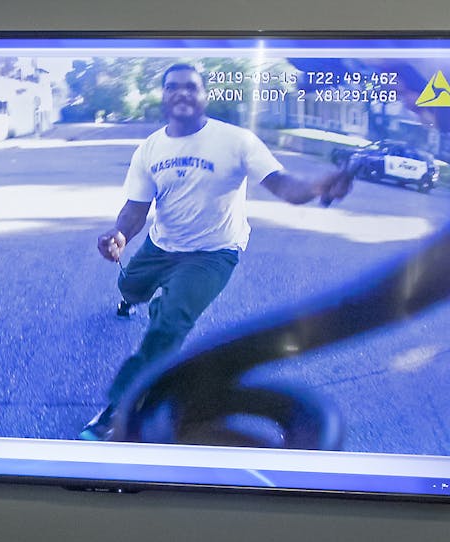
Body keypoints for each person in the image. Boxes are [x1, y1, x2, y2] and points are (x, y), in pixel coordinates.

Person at [79, 63, 356, 441]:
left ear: (204, 95)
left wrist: (317, 188)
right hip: (162, 244)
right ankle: (133, 299)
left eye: (190, 87)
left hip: (213, 252)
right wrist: (119, 235)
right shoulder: (150, 149)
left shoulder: (236, 140)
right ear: (163, 95)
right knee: (131, 288)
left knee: (169, 325)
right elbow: (135, 210)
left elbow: (285, 186)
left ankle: (119, 409)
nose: (182, 93)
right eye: (173, 87)